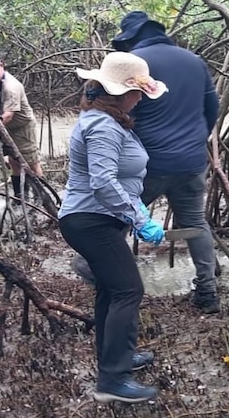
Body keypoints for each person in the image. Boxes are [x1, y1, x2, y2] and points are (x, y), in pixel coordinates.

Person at [58, 52, 168, 404]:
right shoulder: (104, 126)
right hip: (91, 222)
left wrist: (136, 213)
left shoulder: (108, 120)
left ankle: (117, 356)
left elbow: (115, 181)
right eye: (138, 92)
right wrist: (140, 219)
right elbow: (103, 182)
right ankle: (113, 380)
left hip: (99, 220)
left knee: (110, 290)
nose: (141, 98)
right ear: (122, 93)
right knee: (128, 291)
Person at [111, 10, 221, 315]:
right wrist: (194, 140)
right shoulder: (194, 61)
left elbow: (114, 114)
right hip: (192, 162)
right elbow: (213, 109)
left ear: (130, 39)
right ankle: (208, 290)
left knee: (116, 222)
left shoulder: (133, 64)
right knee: (196, 222)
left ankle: (108, 282)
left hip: (148, 165)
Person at [0, 53, 44, 200]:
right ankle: (21, 197)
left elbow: (8, 116)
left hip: (22, 127)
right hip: (7, 127)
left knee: (31, 162)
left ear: (1, 65)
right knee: (14, 162)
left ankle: (41, 198)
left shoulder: (11, 87)